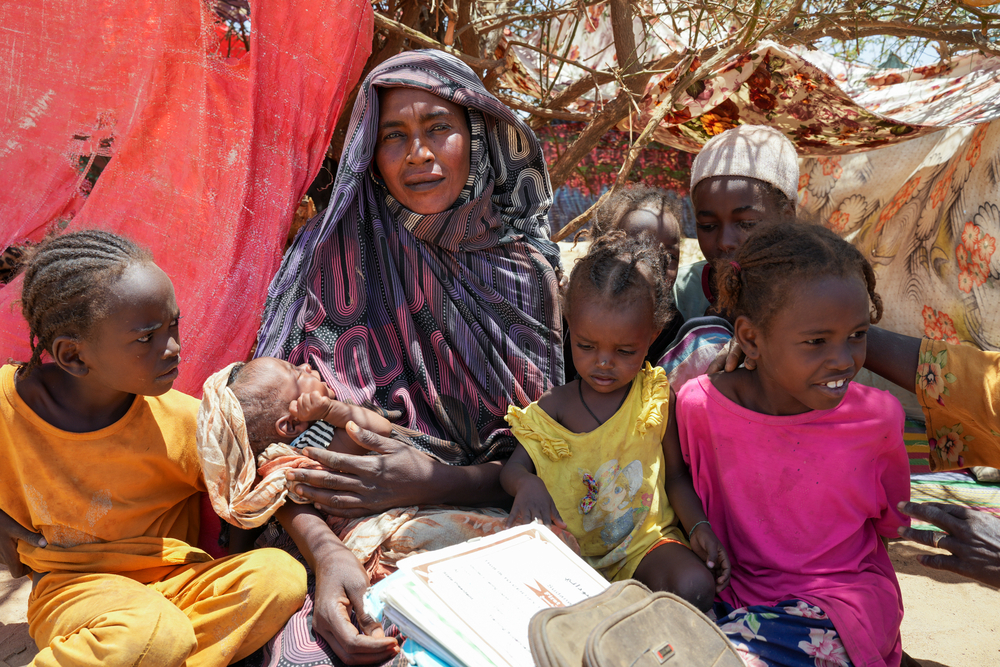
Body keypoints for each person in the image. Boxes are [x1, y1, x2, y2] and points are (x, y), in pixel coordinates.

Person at [248, 49, 564, 665]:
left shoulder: (525, 276)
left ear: (476, 138)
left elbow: (546, 449)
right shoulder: (330, 251)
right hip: (323, 533)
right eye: (395, 135)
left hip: (470, 523)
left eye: (437, 128)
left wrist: (432, 480)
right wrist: (326, 554)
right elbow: (264, 436)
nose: (418, 152)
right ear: (372, 150)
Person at [0, 230, 306, 667]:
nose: (174, 348)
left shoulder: (185, 422)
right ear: (74, 356)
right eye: (146, 338)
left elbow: (256, 483)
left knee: (279, 576)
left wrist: (325, 553)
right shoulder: (7, 406)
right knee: (151, 630)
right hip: (73, 589)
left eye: (174, 324)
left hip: (179, 584)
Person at [678, 221, 910, 667]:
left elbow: (894, 525)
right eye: (816, 341)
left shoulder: (878, 417)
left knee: (720, 654)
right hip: (736, 597)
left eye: (857, 335)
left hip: (844, 605)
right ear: (750, 338)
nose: (844, 359)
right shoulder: (699, 408)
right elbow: (681, 485)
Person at [502, 231, 728, 611]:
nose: (603, 362)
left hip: (645, 546)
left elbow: (674, 477)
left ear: (652, 335)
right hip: (573, 554)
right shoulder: (556, 407)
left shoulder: (653, 398)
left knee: (694, 585)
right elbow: (512, 470)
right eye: (587, 346)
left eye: (625, 351)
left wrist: (699, 528)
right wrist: (527, 485)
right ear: (570, 324)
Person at [195, 359, 395, 533]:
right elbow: (378, 430)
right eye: (297, 374)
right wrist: (329, 410)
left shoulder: (266, 467)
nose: (306, 366)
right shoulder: (312, 449)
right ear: (292, 424)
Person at [674, 124, 798, 321]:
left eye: (747, 224)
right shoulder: (680, 295)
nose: (725, 242)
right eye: (708, 226)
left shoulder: (816, 291)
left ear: (787, 217)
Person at [564, 185, 684, 379]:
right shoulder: (575, 310)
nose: (654, 266)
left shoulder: (673, 328)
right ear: (601, 252)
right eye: (634, 249)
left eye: (668, 257)